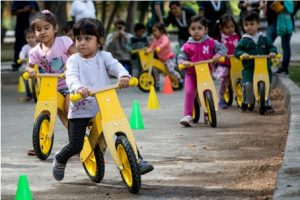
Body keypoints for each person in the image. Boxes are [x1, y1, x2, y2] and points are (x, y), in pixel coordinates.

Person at [52, 18, 154, 181]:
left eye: (87, 39)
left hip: (104, 106)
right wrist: (78, 88)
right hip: (80, 107)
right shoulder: (73, 60)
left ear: (99, 42)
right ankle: (60, 158)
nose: (82, 43)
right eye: (78, 39)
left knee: (122, 129)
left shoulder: (104, 56)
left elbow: (116, 66)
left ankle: (137, 160)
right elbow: (71, 77)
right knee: (76, 145)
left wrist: (123, 76)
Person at [25, 10, 76, 120]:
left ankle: (79, 132)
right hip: (52, 88)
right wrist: (30, 70)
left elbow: (76, 56)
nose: (42, 32)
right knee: (55, 112)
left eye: (46, 28)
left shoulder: (63, 41)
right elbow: (28, 66)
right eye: (38, 30)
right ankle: (73, 134)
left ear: (55, 29)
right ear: (35, 33)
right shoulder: (35, 52)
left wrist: (68, 66)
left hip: (70, 84)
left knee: (68, 109)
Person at [178, 15, 227, 127]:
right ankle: (188, 115)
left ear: (206, 30)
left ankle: (207, 112)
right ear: (189, 31)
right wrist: (183, 62)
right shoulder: (187, 46)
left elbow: (223, 48)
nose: (196, 31)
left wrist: (218, 54)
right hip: (191, 74)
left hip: (206, 74)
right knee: (190, 92)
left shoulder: (210, 42)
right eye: (193, 29)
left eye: (200, 28)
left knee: (209, 90)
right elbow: (180, 57)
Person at [235, 11, 277, 112]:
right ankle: (246, 101)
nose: (249, 27)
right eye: (246, 25)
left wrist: (272, 52)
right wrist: (242, 54)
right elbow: (237, 51)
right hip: (250, 68)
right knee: (248, 85)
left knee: (267, 84)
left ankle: (266, 104)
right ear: (243, 26)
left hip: (264, 68)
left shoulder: (264, 38)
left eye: (252, 24)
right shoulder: (244, 40)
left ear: (257, 24)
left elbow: (272, 47)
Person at [146, 22, 183, 91]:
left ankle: (179, 79)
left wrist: (159, 47)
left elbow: (165, 43)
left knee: (170, 70)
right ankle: (157, 85)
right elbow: (152, 47)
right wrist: (148, 51)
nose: (154, 33)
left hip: (169, 58)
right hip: (161, 60)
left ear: (161, 31)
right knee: (155, 69)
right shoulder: (155, 40)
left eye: (155, 30)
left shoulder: (164, 37)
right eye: (153, 31)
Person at [214, 14, 241, 109]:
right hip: (225, 64)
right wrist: (218, 56)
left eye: (232, 26)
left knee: (239, 79)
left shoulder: (237, 36)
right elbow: (215, 50)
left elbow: (241, 47)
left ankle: (240, 97)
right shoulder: (219, 39)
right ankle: (221, 99)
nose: (230, 29)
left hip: (236, 63)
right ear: (221, 28)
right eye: (227, 27)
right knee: (224, 82)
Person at [265, 0, 294, 75]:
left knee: (285, 45)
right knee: (267, 42)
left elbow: (292, 7)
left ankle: (284, 68)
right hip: (273, 20)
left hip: (285, 21)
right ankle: (266, 66)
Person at [11, 1, 39, 71]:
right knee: (19, 45)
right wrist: (23, 10)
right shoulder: (17, 2)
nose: (30, 39)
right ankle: (17, 64)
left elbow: (38, 12)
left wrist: (32, 11)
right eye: (28, 38)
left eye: (32, 38)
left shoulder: (33, 2)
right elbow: (13, 12)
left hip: (31, 25)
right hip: (20, 27)